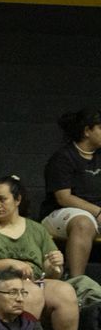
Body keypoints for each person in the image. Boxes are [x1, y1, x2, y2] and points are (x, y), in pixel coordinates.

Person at [0, 175, 91, 330]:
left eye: (2, 199)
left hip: (35, 280)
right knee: (28, 292)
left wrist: (54, 266)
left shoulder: (36, 229)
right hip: (0, 284)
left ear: (17, 200)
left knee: (65, 291)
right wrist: (10, 263)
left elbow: (51, 272)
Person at [40, 109, 101, 285]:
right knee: (83, 222)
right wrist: (98, 212)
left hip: (96, 214)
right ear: (87, 131)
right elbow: (64, 198)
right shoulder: (63, 158)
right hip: (61, 213)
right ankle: (76, 284)